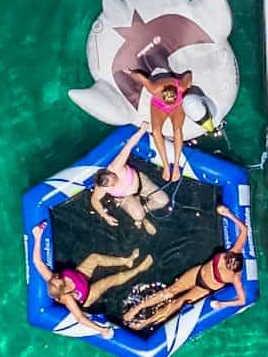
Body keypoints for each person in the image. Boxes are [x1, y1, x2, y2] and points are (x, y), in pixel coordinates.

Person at [122, 208, 250, 333]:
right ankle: (136, 308)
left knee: (177, 303)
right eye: (226, 258)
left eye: (227, 266)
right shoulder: (235, 250)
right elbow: (244, 229)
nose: (223, 262)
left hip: (204, 287)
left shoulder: (235, 278)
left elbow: (242, 300)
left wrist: (222, 304)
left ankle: (145, 323)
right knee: (170, 291)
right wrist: (228, 214)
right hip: (198, 272)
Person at [32, 221, 150, 335]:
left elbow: (37, 262)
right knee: (112, 280)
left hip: (80, 275)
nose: (57, 275)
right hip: (86, 294)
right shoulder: (68, 298)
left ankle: (127, 261)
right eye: (59, 279)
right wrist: (102, 330)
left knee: (94, 258)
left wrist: (37, 236)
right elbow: (80, 318)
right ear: (63, 289)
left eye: (57, 276)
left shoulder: (52, 279)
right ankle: (139, 269)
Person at [89, 128, 172, 234]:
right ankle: (142, 218)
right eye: (112, 184)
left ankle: (144, 209)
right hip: (125, 197)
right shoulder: (101, 187)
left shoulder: (116, 165)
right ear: (106, 187)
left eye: (113, 176)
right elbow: (94, 200)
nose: (116, 180)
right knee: (138, 216)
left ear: (109, 172)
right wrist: (105, 216)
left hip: (141, 183)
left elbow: (128, 146)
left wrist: (142, 129)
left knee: (163, 200)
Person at [133, 68, 192, 182]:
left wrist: (188, 84)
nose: (169, 105)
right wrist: (130, 71)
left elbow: (188, 74)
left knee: (178, 130)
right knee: (156, 131)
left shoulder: (181, 86)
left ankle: (175, 166)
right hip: (159, 106)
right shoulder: (154, 88)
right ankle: (166, 165)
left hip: (177, 105)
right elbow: (140, 77)